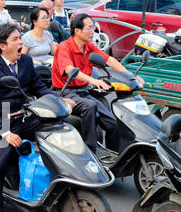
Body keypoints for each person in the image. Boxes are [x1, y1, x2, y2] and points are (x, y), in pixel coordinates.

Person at [0, 23, 75, 212]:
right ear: (2, 45)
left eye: (20, 38)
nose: (21, 42)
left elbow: (38, 87)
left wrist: (59, 99)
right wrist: (5, 133)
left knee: (61, 130)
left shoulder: (26, 62)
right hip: (2, 120)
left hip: (25, 116)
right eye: (15, 39)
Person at [51, 13, 144, 153]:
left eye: (93, 27)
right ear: (77, 31)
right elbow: (70, 70)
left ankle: (114, 155)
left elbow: (110, 61)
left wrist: (132, 77)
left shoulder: (88, 46)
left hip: (83, 92)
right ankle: (91, 150)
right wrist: (92, 80)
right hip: (65, 92)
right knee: (90, 105)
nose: (93, 31)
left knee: (112, 123)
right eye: (89, 28)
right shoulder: (64, 47)